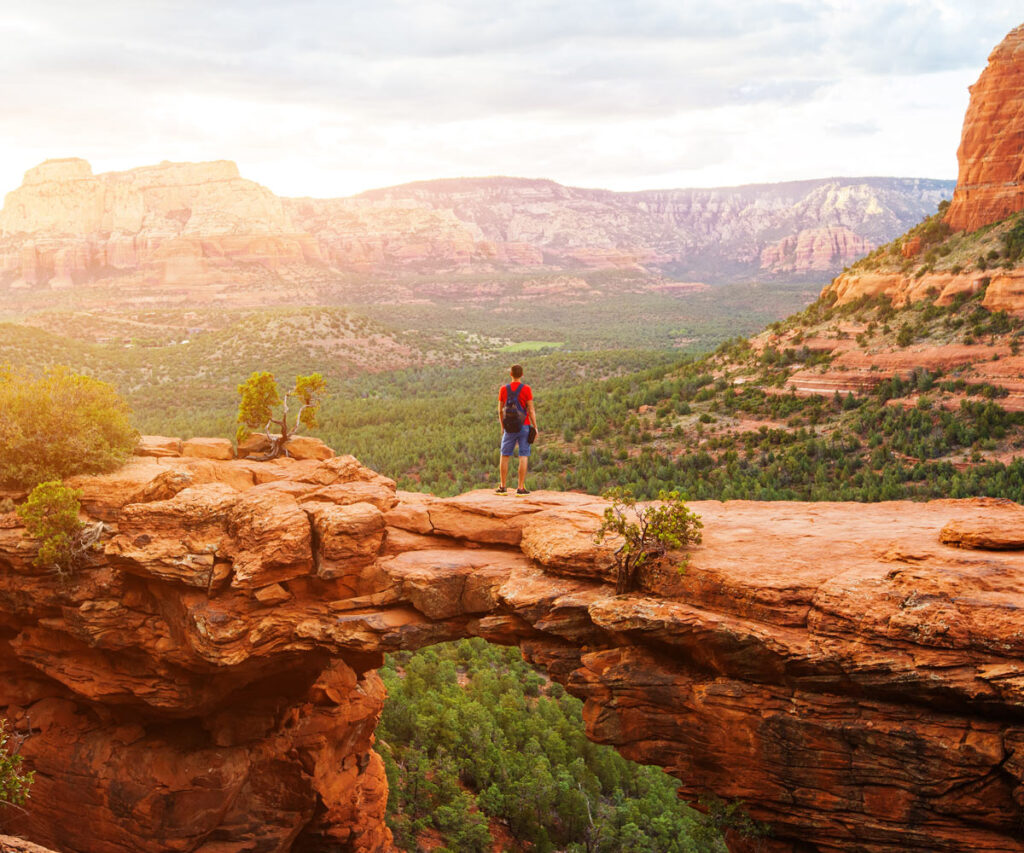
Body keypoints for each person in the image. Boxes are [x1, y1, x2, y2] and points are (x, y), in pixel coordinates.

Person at [496, 364, 538, 495]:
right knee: (523, 455)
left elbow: (500, 410)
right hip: (524, 425)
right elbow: (530, 410)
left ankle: (503, 487)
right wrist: (535, 427)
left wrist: (503, 427)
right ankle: (520, 488)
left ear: (511, 374)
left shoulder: (503, 389)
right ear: (522, 375)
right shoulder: (526, 389)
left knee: (504, 455)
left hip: (509, 427)